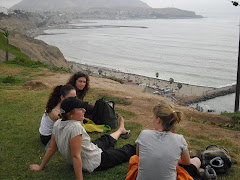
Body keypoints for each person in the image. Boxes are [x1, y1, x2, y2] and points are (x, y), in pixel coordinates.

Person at [30, 97, 136, 180]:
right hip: (95, 161)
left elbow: (51, 148)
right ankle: (141, 142)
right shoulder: (76, 128)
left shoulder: (58, 123)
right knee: (127, 150)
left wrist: (41, 166)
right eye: (80, 109)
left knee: (105, 139)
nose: (84, 110)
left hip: (89, 150)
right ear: (69, 115)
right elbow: (76, 157)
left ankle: (120, 130)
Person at [135, 101, 201, 180]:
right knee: (196, 160)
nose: (152, 120)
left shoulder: (144, 134)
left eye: (153, 117)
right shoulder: (179, 139)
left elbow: (138, 155)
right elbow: (186, 162)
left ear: (158, 120)